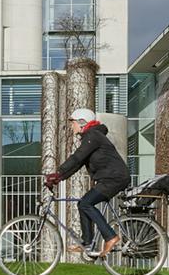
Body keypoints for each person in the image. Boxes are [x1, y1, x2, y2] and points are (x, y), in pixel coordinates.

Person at [44, 107, 130, 258]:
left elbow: (77, 157)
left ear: (82, 122)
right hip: (110, 178)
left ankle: (110, 237)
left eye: (73, 123)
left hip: (114, 178)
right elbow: (78, 163)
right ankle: (88, 243)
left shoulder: (93, 135)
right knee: (83, 203)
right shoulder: (92, 137)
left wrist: (58, 172)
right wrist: (59, 177)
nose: (72, 126)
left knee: (85, 203)